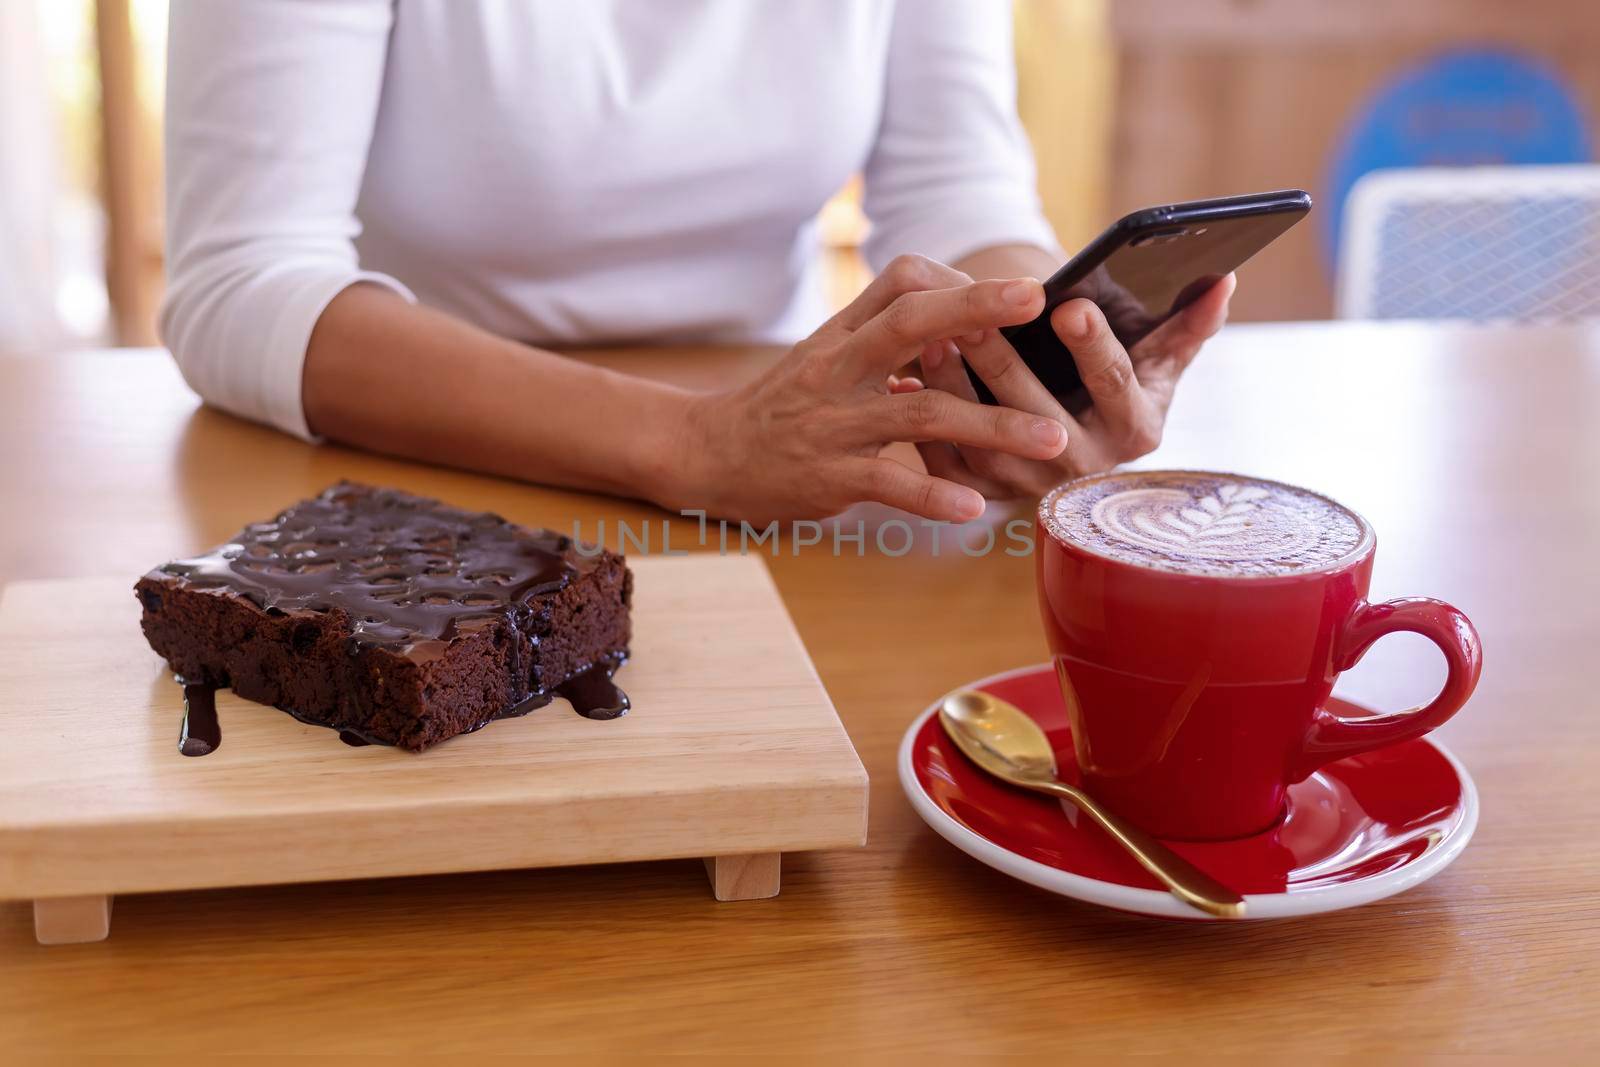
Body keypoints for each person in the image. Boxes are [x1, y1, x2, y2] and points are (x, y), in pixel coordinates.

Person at [161, 1, 1233, 525]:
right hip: (418, 463)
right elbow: (242, 282)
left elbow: (955, 186)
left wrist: (1042, 351)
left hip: (769, 477)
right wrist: (685, 443)